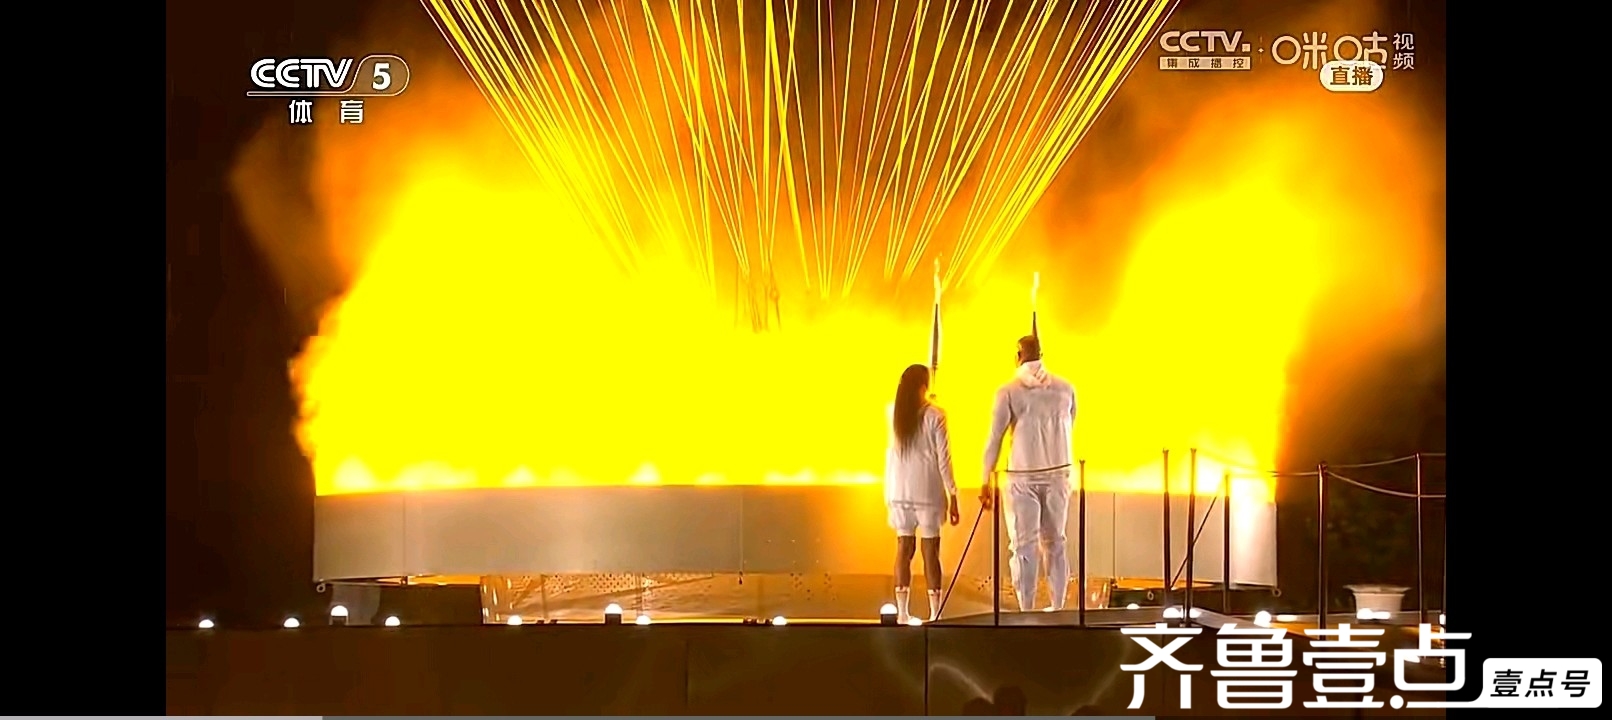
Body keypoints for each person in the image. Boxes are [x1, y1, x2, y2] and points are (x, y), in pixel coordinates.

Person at [980, 335, 1077, 612]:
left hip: (1022, 476)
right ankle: (1057, 606)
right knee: (1056, 541)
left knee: (1024, 545)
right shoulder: (1066, 388)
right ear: (1041, 354)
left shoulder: (1008, 391)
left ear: (1017, 356)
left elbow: (995, 438)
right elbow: (1071, 424)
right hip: (1058, 473)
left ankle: (1026, 608)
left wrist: (985, 478)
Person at [885, 364, 961, 623]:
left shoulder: (893, 413)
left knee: (903, 548)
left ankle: (902, 613)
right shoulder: (936, 415)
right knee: (931, 551)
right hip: (927, 491)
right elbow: (944, 459)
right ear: (922, 386)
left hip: (899, 490)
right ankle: (935, 613)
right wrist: (953, 493)